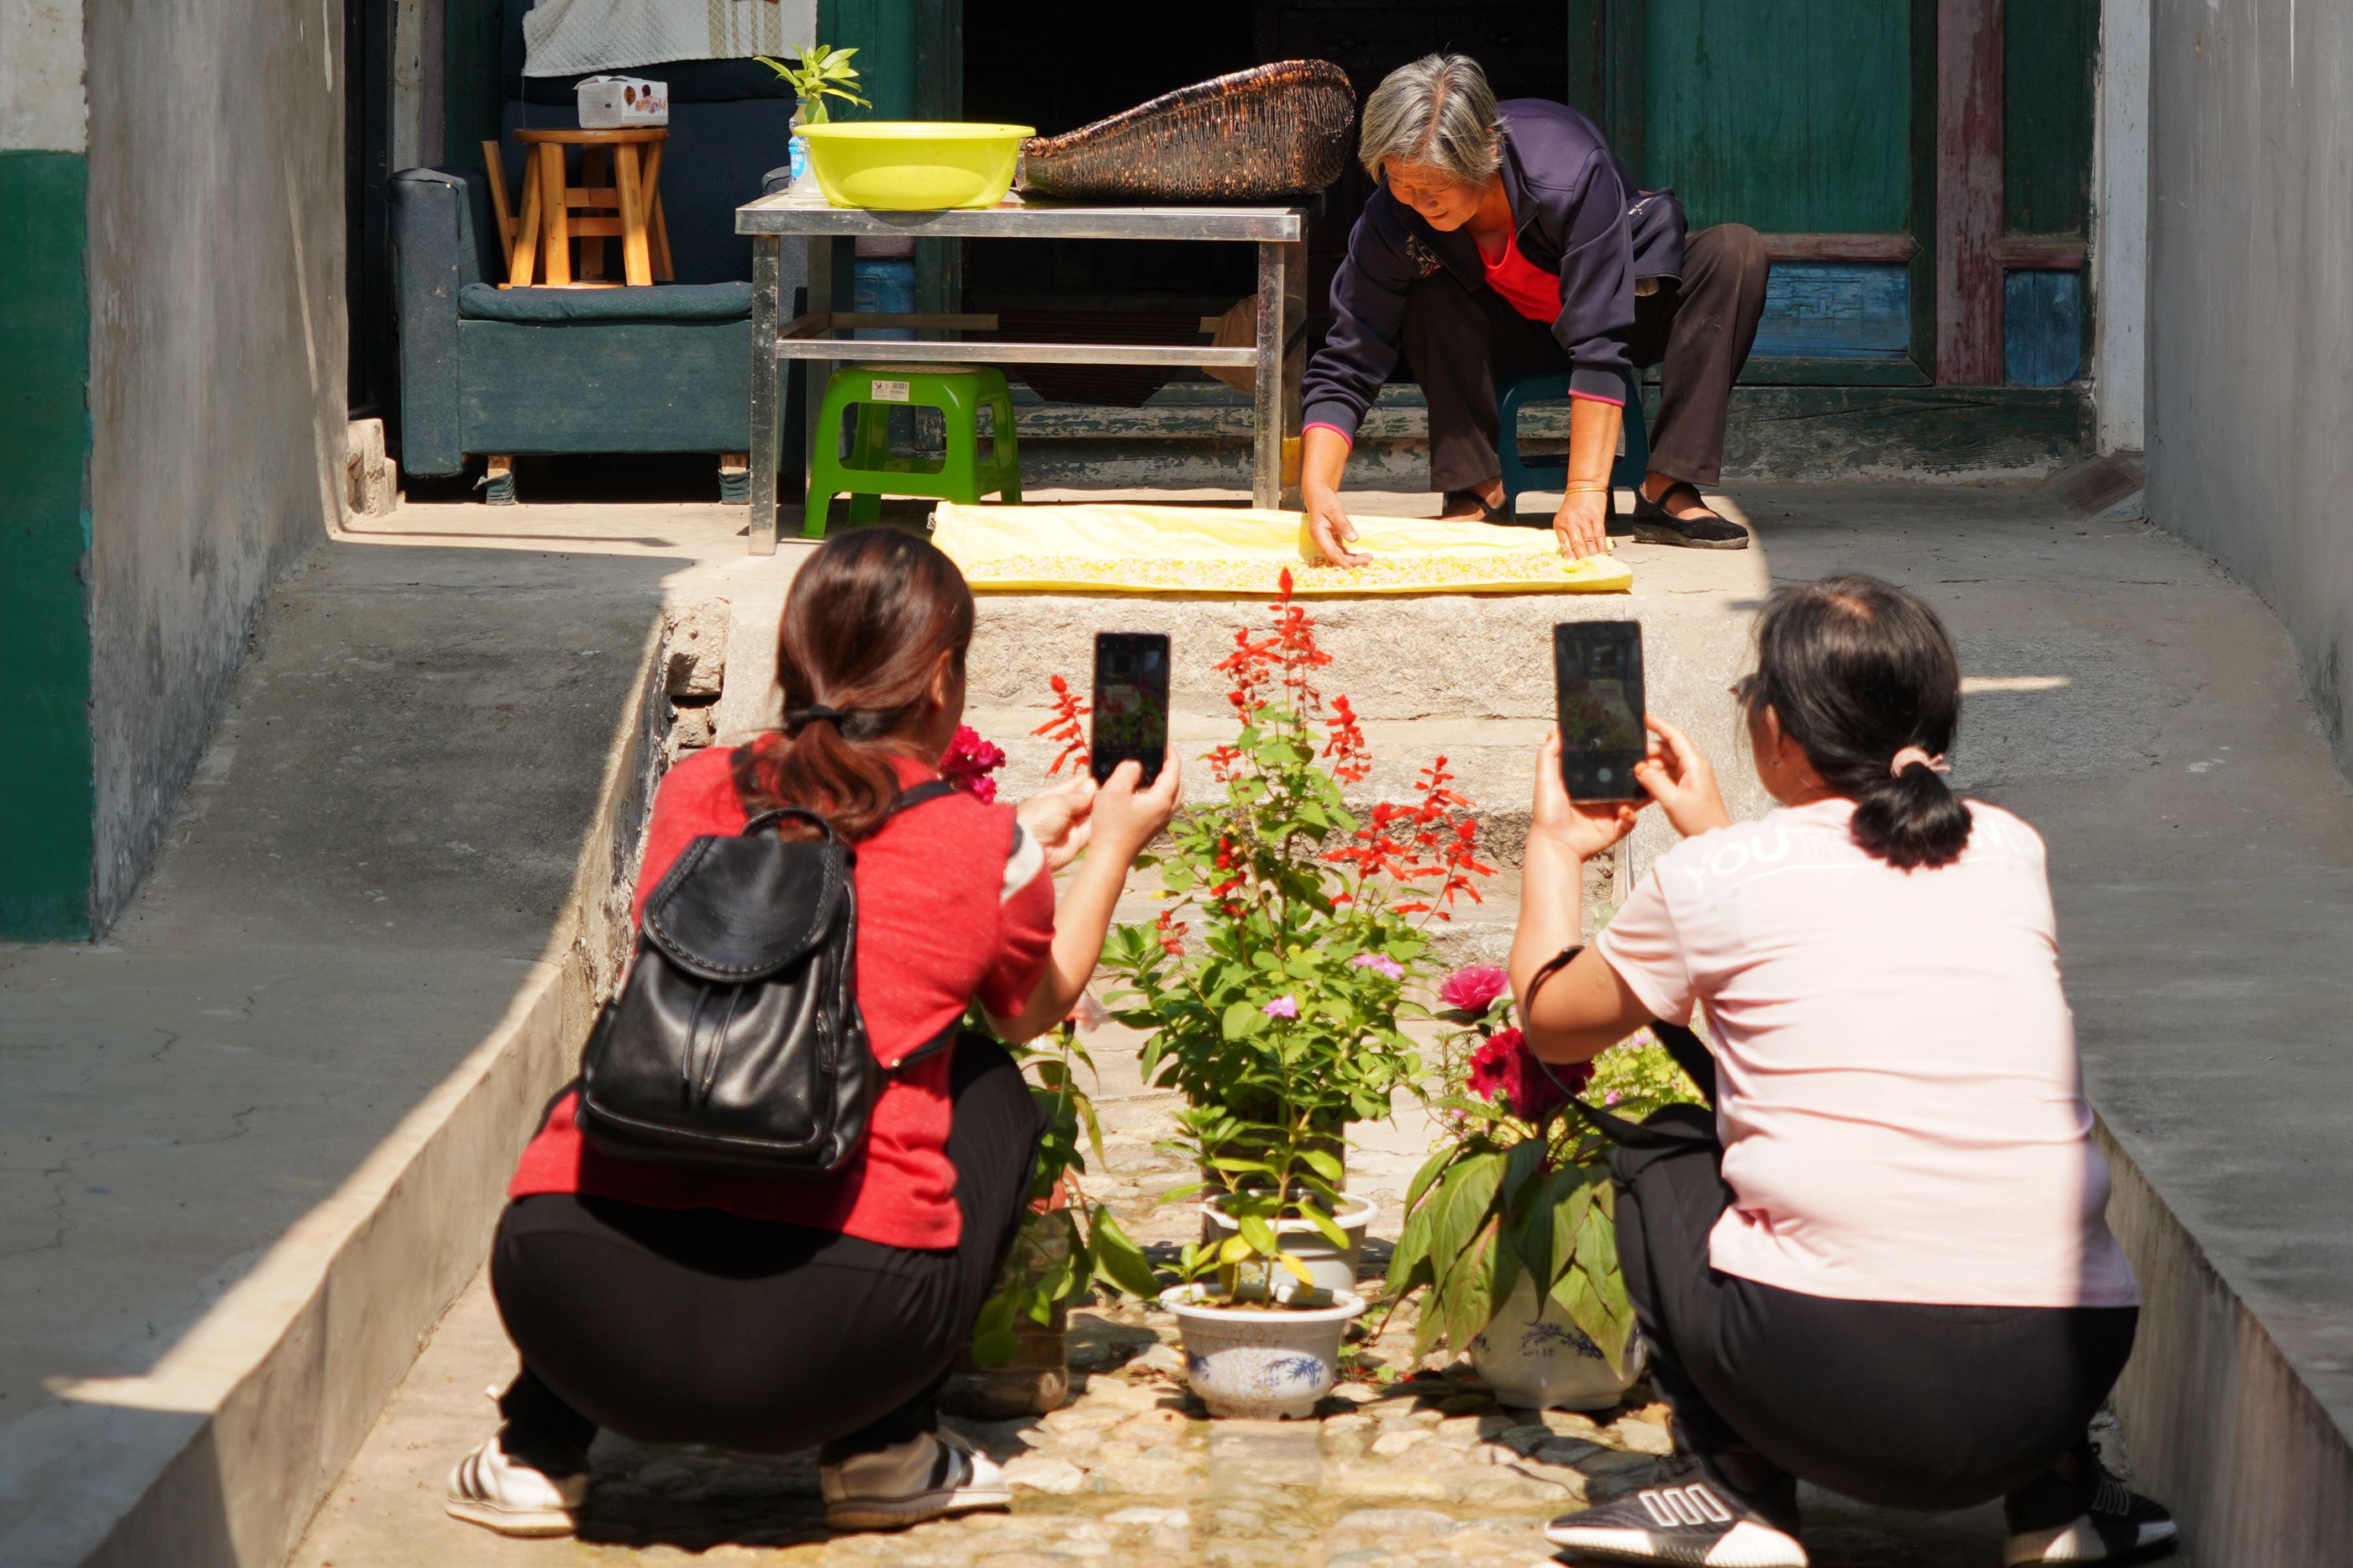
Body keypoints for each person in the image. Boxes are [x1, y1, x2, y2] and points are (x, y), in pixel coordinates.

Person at [443, 530, 1178, 1539]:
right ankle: (885, 1452)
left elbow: (846, 854)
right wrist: (1108, 851)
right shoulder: (977, 841)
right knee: (988, 1081)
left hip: (574, 1303)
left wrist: (1014, 839)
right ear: (939, 681)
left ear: (792, 662)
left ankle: (536, 1450)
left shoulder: (698, 792)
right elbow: (1030, 1003)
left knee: (624, 1071)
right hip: (836, 1342)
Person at [1508, 576, 2177, 1568]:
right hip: (2055, 1378)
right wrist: (1724, 831)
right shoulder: (2007, 849)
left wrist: (1553, 846)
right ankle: (2059, 1505)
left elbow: (1553, 1027)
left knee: (1662, 1155)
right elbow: (1840, 888)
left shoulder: (1712, 879)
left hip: (1826, 1374)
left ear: (1776, 727)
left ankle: (1730, 1493)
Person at [1300, 54, 1767, 566]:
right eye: (1400, 182)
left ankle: (1666, 487)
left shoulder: (1567, 167)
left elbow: (1600, 337)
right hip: (1511, 337)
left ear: (1486, 149)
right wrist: (1318, 487)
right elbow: (1349, 356)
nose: (1417, 202)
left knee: (1734, 251)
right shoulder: (1391, 217)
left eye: (1433, 186)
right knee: (1429, 291)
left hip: (1627, 314)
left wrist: (1586, 491)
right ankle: (1475, 491)